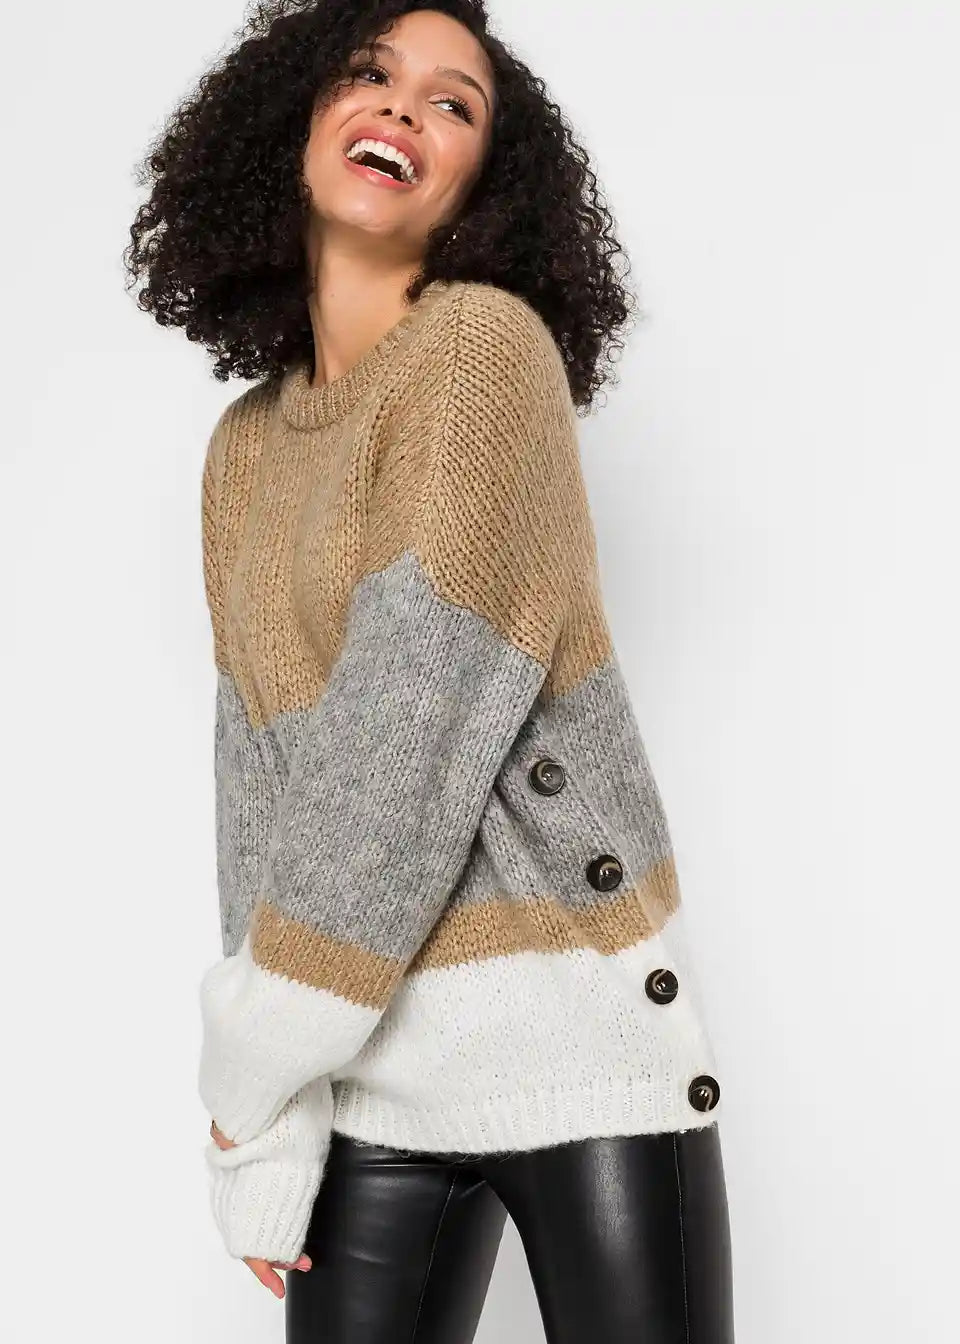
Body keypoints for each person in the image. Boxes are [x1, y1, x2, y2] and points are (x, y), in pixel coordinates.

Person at [124, 3, 735, 1340]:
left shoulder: (480, 353)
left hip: (575, 1048)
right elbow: (263, 784)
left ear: (481, 190)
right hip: (367, 1075)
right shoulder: (244, 449)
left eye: (455, 104)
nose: (405, 107)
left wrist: (250, 1065)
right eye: (371, 73)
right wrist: (277, 1121)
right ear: (289, 121)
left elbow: (401, 740)